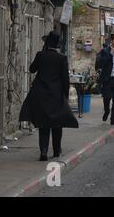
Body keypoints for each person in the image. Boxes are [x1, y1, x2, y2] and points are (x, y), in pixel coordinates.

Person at [19, 31, 79, 161]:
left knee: (43, 124)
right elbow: (65, 79)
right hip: (56, 95)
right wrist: (65, 95)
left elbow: (32, 69)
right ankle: (57, 151)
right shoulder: (62, 58)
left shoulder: (41, 56)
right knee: (57, 124)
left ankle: (44, 152)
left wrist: (41, 55)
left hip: (41, 94)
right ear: (57, 45)